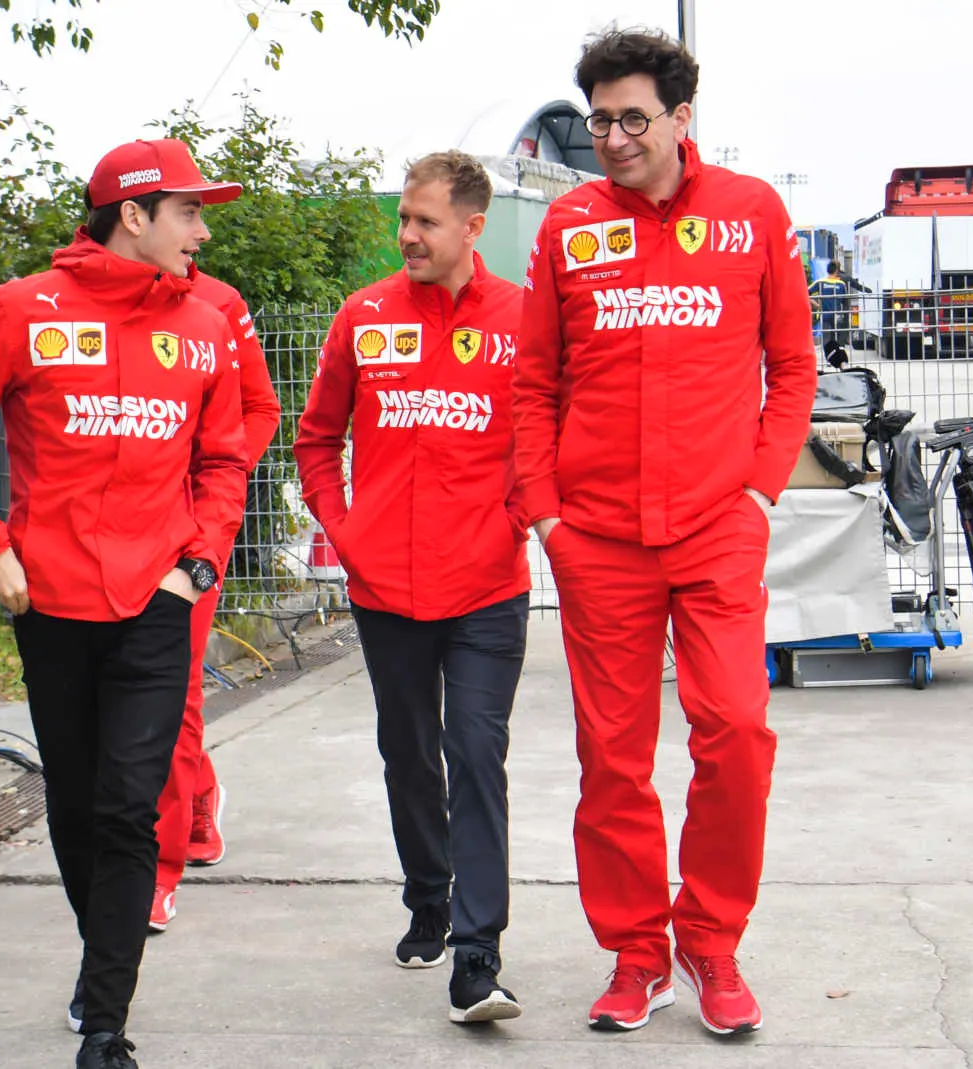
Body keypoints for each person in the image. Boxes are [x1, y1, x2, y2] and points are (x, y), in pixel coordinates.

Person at [0, 138, 250, 1069]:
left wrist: (201, 562)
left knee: (128, 808)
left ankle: (107, 1020)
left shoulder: (208, 320)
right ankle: (101, 954)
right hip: (50, 602)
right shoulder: (21, 309)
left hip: (157, 600)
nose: (203, 228)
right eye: (188, 210)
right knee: (73, 799)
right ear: (133, 214)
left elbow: (225, 456)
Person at [512, 29, 816, 1037]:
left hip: (718, 527)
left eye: (631, 118)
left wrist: (762, 494)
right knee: (612, 755)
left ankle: (713, 943)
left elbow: (792, 367)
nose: (611, 137)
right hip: (597, 536)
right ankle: (637, 951)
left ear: (683, 119)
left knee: (736, 730)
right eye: (597, 119)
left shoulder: (751, 215)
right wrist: (548, 513)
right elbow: (534, 385)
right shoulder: (568, 226)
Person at [294, 150, 530, 1025]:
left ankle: (477, 952)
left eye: (426, 221)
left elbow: (552, 435)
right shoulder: (364, 317)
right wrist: (345, 529)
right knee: (409, 752)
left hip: (487, 587)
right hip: (384, 584)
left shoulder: (523, 319)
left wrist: (513, 519)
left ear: (473, 227)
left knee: (475, 752)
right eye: (403, 218)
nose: (408, 236)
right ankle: (428, 894)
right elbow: (316, 439)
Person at [147, 265, 280, 930]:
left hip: (194, 532)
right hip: (108, 534)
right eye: (187, 211)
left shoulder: (221, 302)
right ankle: (198, 788)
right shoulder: (72, 303)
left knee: (176, 687)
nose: (198, 231)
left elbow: (261, 408)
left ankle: (158, 866)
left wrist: (215, 479)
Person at [810, 260, 851, 359]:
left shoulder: (820, 282)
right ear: (836, 271)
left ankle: (828, 357)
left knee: (826, 339)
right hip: (837, 316)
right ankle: (836, 358)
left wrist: (815, 304)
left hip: (824, 315)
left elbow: (805, 292)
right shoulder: (841, 284)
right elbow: (845, 301)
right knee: (835, 338)